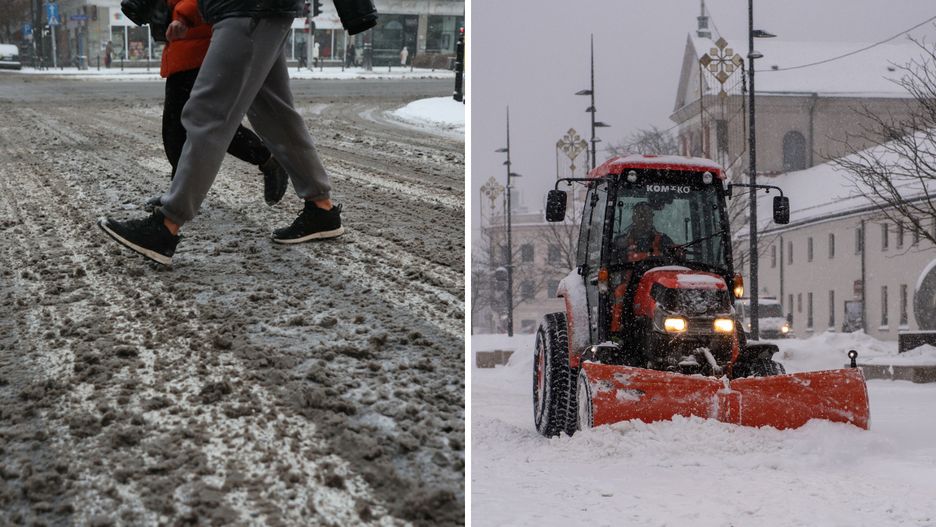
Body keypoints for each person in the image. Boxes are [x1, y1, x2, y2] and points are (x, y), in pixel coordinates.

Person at [98, 0, 343, 266]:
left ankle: (166, 225)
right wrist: (188, 15)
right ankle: (321, 208)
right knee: (273, 111)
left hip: (247, 9)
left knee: (207, 113)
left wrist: (187, 14)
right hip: (262, 9)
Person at [143, 0, 289, 213]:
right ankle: (179, 193)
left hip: (201, 44)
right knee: (185, 128)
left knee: (204, 125)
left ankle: (267, 159)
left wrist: (183, 15)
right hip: (185, 46)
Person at [610, 202, 678, 334]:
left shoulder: (663, 240)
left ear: (652, 218)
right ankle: (617, 333)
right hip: (629, 284)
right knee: (620, 293)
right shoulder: (621, 242)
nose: (643, 219)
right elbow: (612, 266)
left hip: (657, 286)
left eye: (647, 216)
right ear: (634, 218)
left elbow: (674, 263)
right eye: (640, 215)